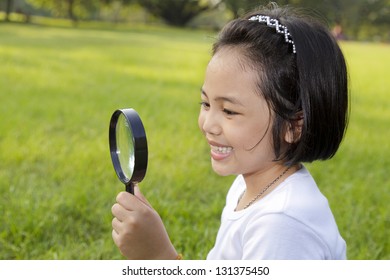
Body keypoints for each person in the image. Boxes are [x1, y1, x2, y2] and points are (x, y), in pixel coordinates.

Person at [111, 4, 349, 260]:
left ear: (293, 126)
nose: (208, 124)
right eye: (206, 104)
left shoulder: (280, 224)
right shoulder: (247, 185)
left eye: (229, 111)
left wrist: (158, 257)